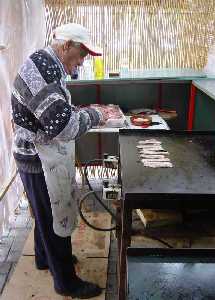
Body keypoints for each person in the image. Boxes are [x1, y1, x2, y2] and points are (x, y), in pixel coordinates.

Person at [11, 23, 108, 298]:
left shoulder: (49, 62)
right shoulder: (44, 70)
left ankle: (44, 258)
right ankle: (66, 281)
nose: (79, 63)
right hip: (37, 156)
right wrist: (97, 115)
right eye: (79, 56)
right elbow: (64, 127)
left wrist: (79, 112)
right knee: (55, 214)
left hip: (33, 151)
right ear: (66, 46)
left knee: (42, 211)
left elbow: (54, 110)